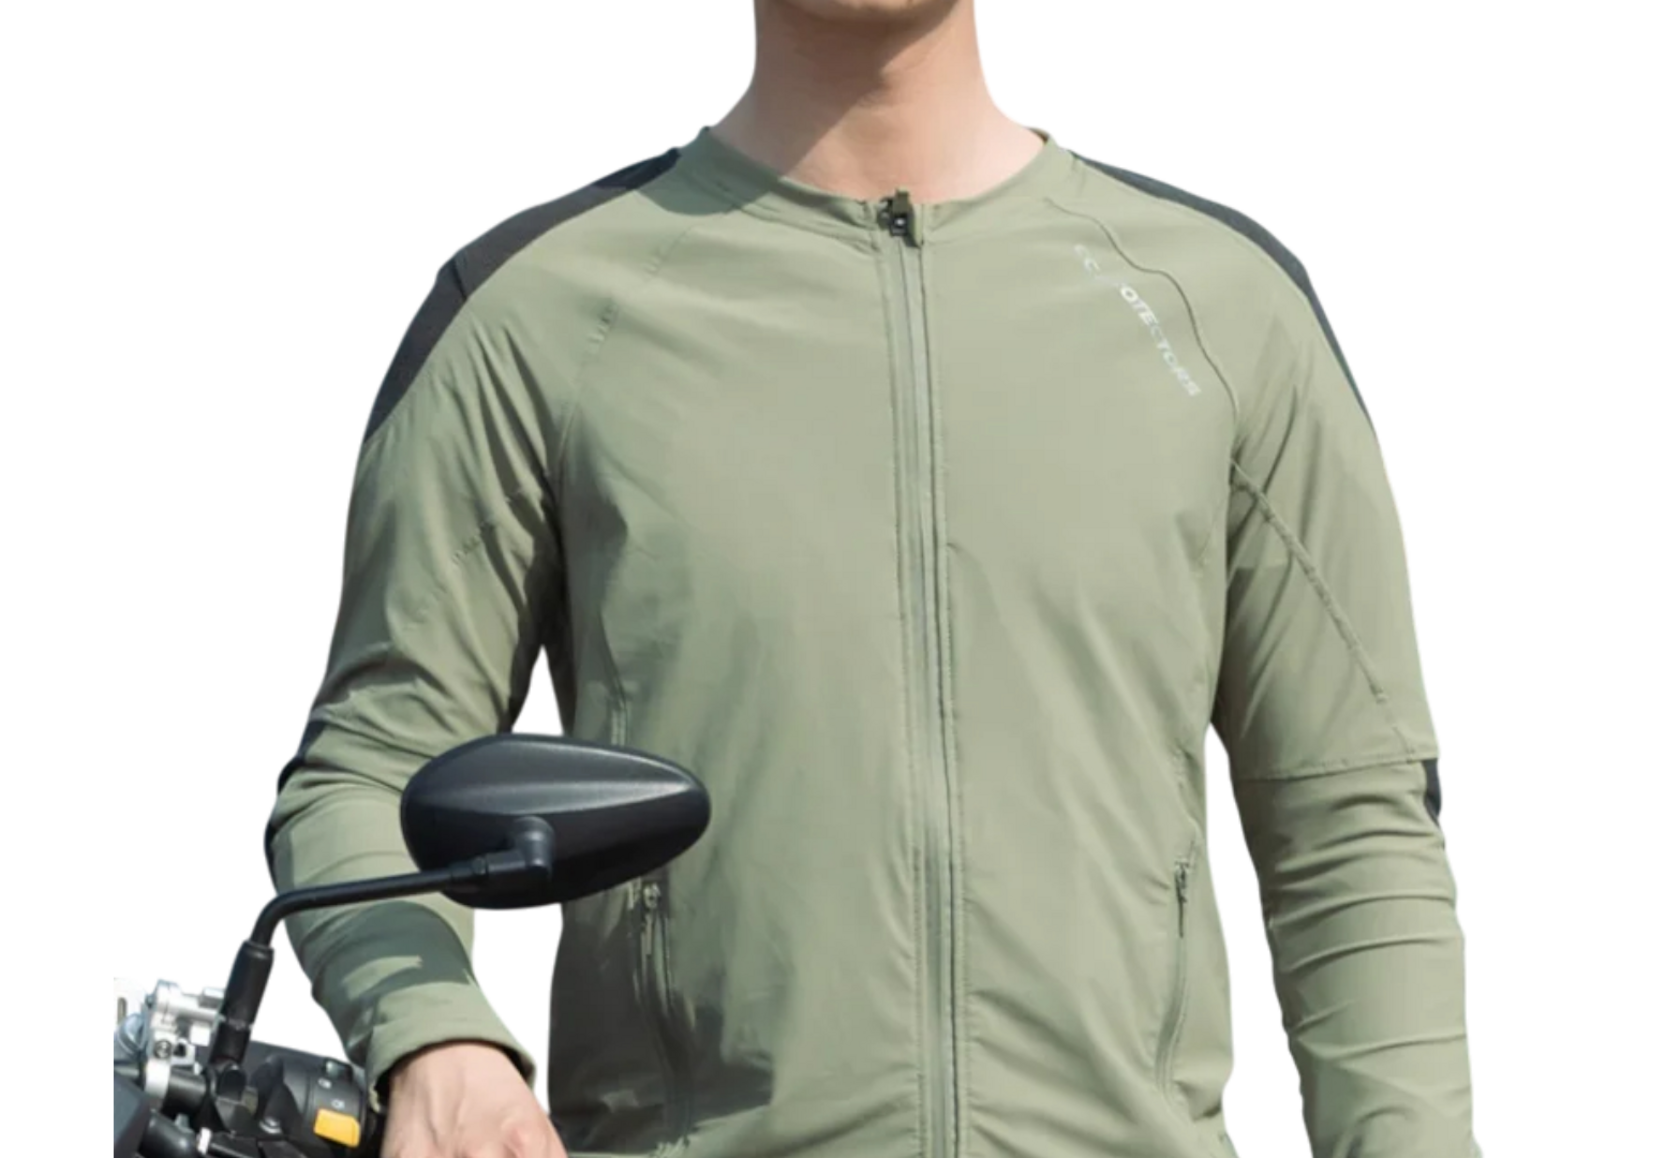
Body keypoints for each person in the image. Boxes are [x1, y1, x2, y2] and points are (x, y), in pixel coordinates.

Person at [261, 1, 1480, 1155]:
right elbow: (372, 767)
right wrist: (438, 1037)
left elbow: (1352, 823)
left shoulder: (1228, 307)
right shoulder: (531, 308)